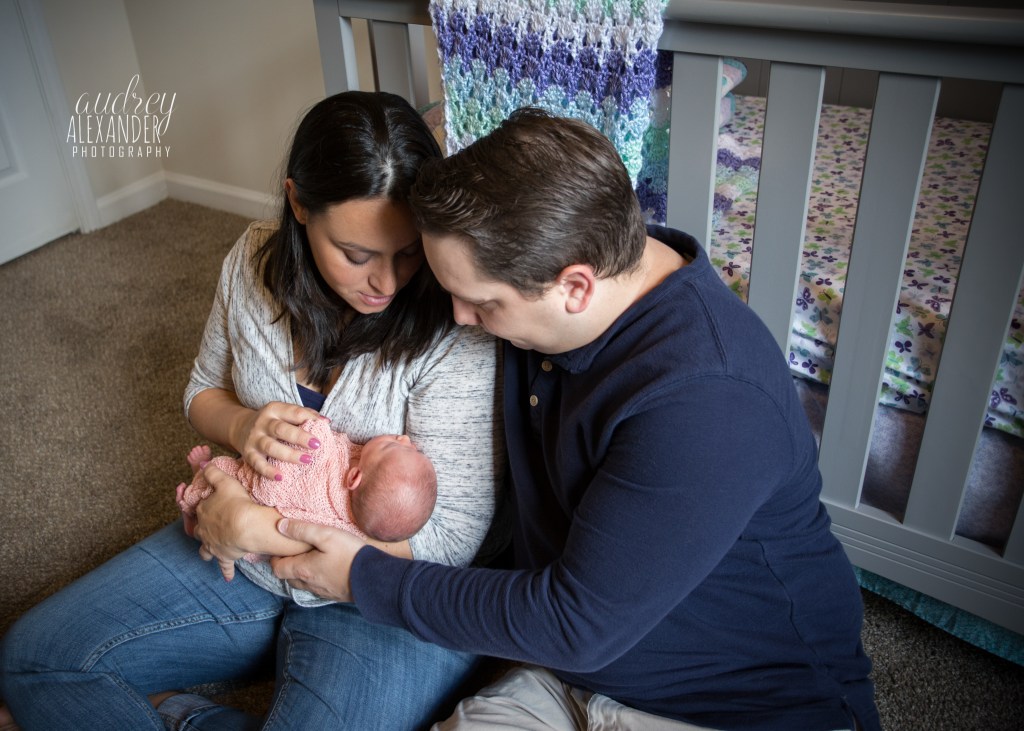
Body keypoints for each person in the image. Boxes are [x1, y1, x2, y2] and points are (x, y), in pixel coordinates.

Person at [245, 108, 882, 731]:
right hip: (563, 676)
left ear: (575, 287)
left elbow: (576, 623)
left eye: (482, 303)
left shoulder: (708, 398)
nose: (461, 319)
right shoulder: (560, 269)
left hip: (736, 704)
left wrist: (362, 575)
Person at [0, 91, 505, 730]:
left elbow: (451, 540)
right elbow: (201, 391)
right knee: (34, 659)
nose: (387, 281)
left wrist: (253, 528)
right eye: (356, 254)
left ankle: (188, 720)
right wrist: (242, 425)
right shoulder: (251, 260)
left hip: (384, 597)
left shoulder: (456, 317)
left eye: (407, 252)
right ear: (298, 204)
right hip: (243, 564)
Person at [176, 416, 438, 591]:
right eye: (412, 447)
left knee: (217, 475)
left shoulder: (327, 488)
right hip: (252, 541)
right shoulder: (364, 519)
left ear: (355, 477)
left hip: (252, 498)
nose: (405, 438)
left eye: (394, 446)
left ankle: (192, 508)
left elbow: (278, 488)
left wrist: (315, 428)